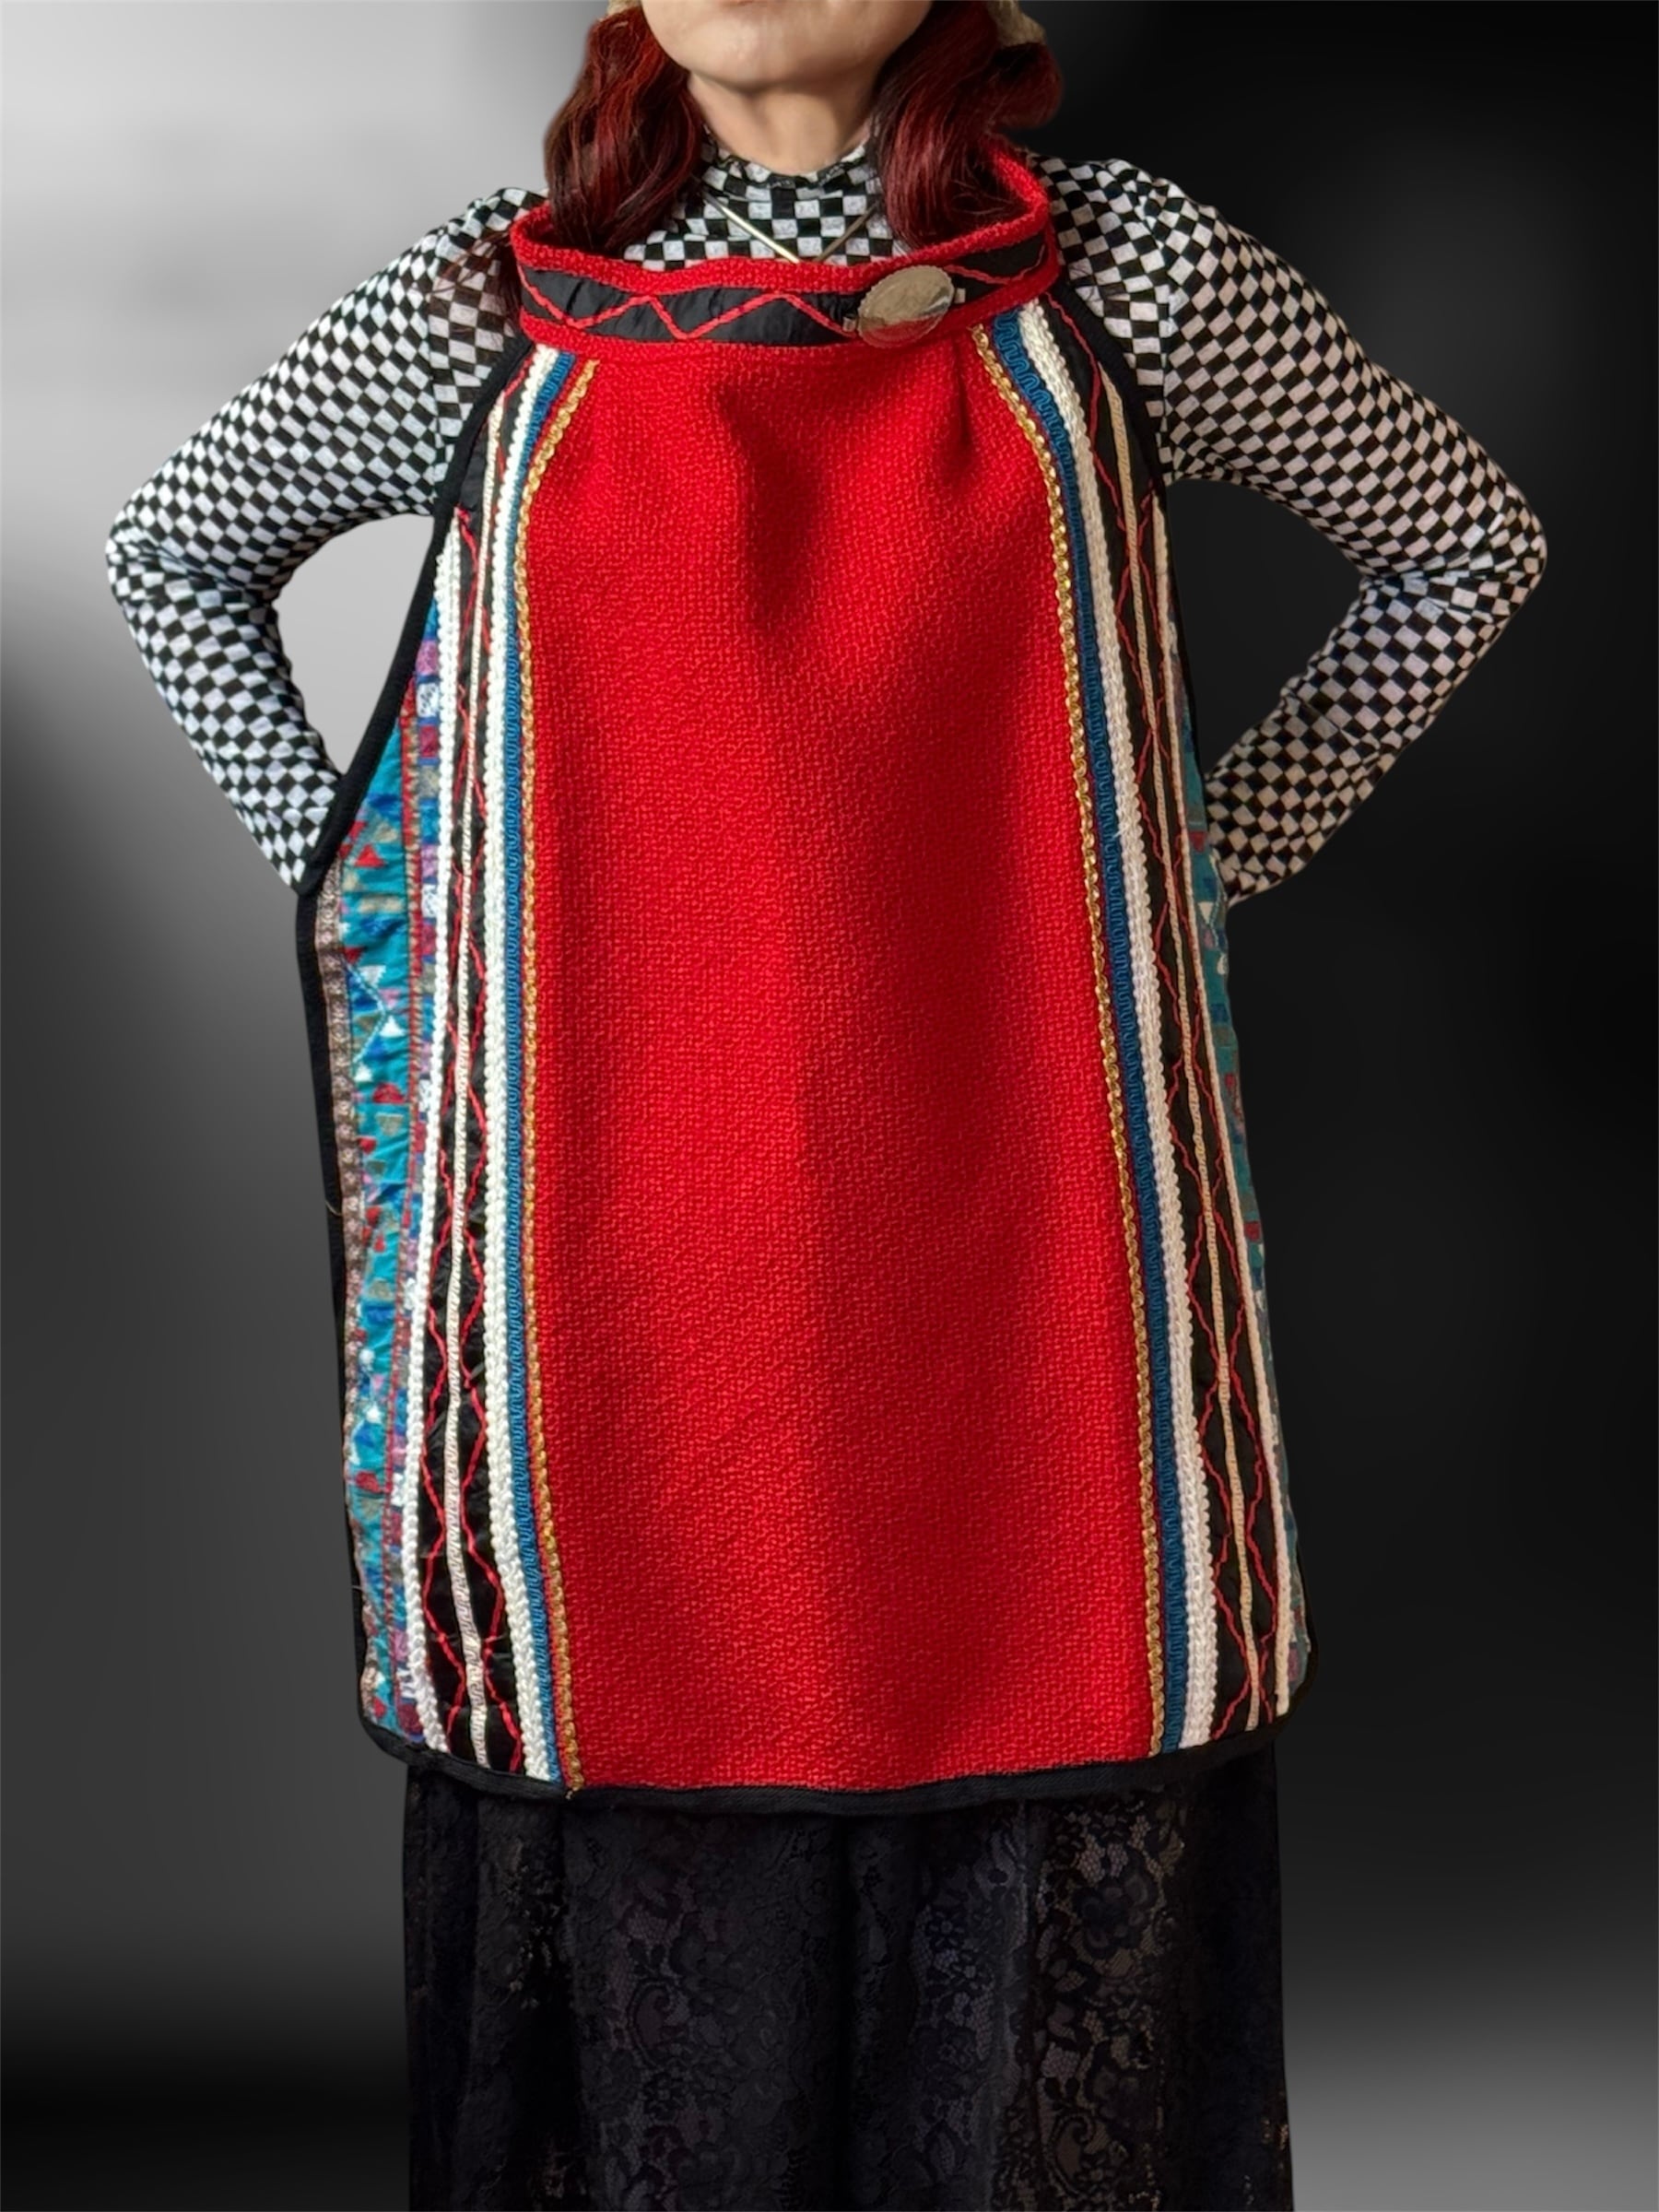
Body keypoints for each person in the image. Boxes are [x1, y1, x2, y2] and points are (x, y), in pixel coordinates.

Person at [105, 2, 1547, 2205]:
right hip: (611, 1296)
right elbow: (176, 557)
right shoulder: (478, 310)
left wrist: (1187, 861)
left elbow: (1460, 539)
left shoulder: (1134, 280)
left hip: (1033, 1266)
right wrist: (402, 908)